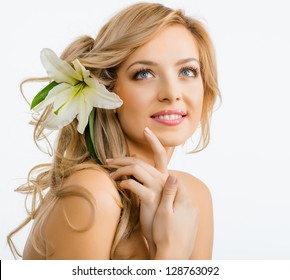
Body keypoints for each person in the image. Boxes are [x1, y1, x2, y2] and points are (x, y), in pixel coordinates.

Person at [8, 2, 220, 260]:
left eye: (187, 71)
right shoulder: (93, 195)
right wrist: (171, 252)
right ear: (107, 89)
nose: (172, 93)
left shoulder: (193, 197)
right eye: (144, 74)